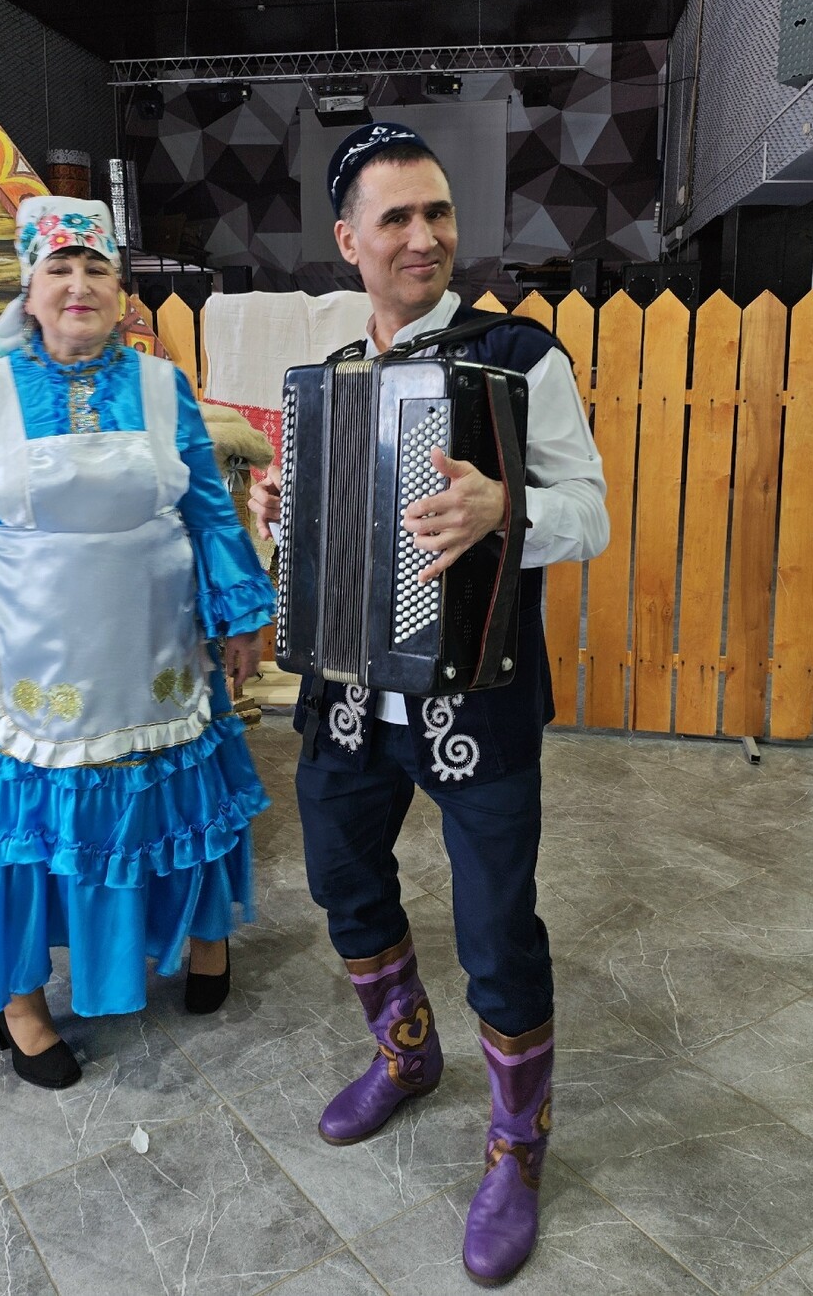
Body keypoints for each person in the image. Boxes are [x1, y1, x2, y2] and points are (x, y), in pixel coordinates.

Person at [250, 123, 609, 1285]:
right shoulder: (332, 378)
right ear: (347, 240)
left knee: (498, 929)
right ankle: (407, 1052)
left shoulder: (518, 356)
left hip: (478, 704)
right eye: (395, 217)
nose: (424, 236)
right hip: (350, 702)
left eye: (438, 212)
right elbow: (320, 540)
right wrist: (282, 516)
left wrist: (508, 507)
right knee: (342, 882)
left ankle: (517, 1143)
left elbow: (594, 512)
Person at [0, 196, 274, 1090]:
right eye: (59, 267)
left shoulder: (163, 386)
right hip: (27, 662)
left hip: (160, 650)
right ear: (30, 287)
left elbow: (209, 509)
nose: (79, 284)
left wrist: (242, 615)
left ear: (122, 290)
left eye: (96, 268)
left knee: (180, 798)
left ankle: (205, 939)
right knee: (18, 831)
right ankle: (20, 1001)